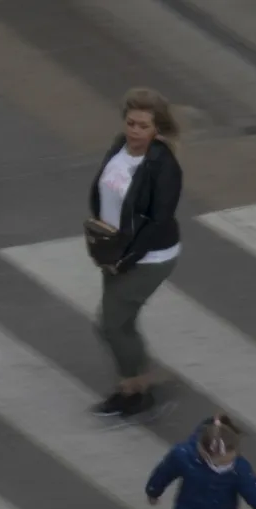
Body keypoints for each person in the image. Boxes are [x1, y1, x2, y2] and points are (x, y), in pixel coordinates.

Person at [85, 87, 183, 420]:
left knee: (110, 324)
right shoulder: (119, 146)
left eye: (143, 126)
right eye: (131, 123)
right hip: (113, 250)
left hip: (148, 257)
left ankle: (134, 390)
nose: (134, 131)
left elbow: (157, 222)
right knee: (122, 321)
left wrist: (125, 260)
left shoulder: (163, 166)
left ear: (157, 129)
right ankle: (141, 371)